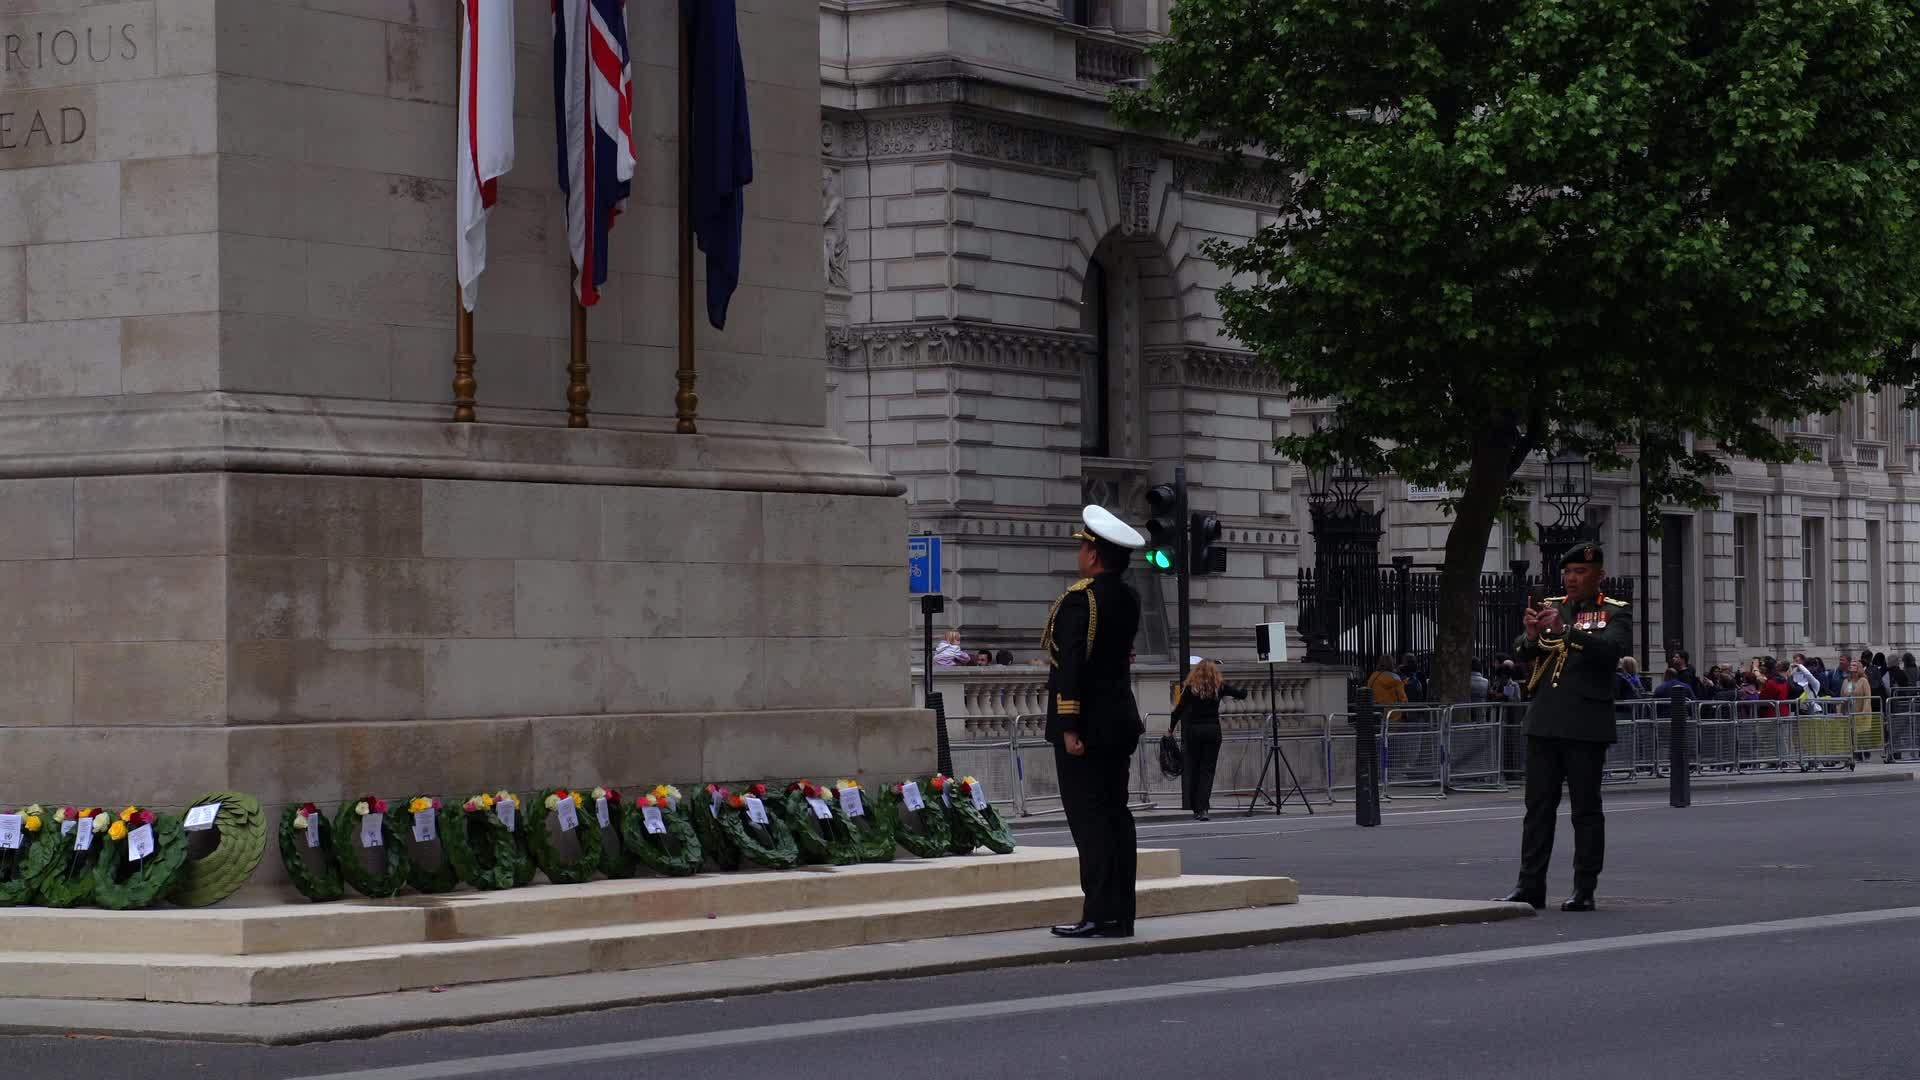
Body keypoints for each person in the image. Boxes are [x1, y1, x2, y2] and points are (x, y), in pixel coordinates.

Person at [1499, 544, 1631, 913]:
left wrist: (1568, 630)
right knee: (1537, 808)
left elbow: (1610, 652)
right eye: (1568, 571)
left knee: (1585, 811)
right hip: (1545, 720)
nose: (1572, 578)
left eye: (1581, 572)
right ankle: (1529, 885)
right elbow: (1525, 654)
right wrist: (1529, 635)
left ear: (1599, 575)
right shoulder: (1553, 606)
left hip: (1586, 724)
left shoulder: (1614, 612)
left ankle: (1584, 888)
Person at [1044, 504, 1146, 940]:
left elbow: (1071, 669)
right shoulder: (1128, 597)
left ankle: (1098, 912)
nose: (1081, 552)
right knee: (1117, 819)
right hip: (1119, 721)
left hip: (1086, 727)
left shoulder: (1080, 599)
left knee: (1091, 824)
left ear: (1094, 554)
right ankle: (1121, 914)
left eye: (1084, 545)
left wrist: (1068, 726)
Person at [1168, 659, 1248, 821]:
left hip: (1194, 732)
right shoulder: (1219, 687)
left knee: (1195, 768)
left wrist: (1171, 729)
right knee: (1207, 770)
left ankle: (1196, 807)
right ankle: (1203, 807)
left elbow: (1177, 711)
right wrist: (1243, 687)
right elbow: (1242, 694)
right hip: (1212, 731)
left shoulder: (1190, 689)